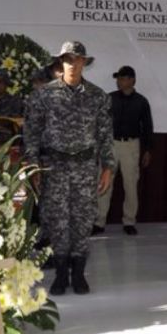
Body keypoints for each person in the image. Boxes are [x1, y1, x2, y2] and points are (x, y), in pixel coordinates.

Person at [24, 41, 114, 295]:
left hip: (85, 166)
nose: (72, 64)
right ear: (60, 63)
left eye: (77, 59)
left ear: (84, 62)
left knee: (83, 220)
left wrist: (108, 166)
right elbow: (31, 132)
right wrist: (33, 165)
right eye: (67, 59)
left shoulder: (98, 96)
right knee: (57, 221)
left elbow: (106, 134)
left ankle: (79, 273)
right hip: (54, 166)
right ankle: (62, 273)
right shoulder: (44, 95)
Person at [95, 65, 154, 236]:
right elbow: (100, 124)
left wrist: (148, 150)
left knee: (130, 185)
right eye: (118, 78)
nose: (119, 81)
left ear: (132, 80)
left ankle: (129, 221)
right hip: (110, 144)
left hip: (131, 145)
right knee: (104, 183)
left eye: (122, 78)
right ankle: (99, 221)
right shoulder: (108, 98)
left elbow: (148, 127)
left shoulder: (141, 101)